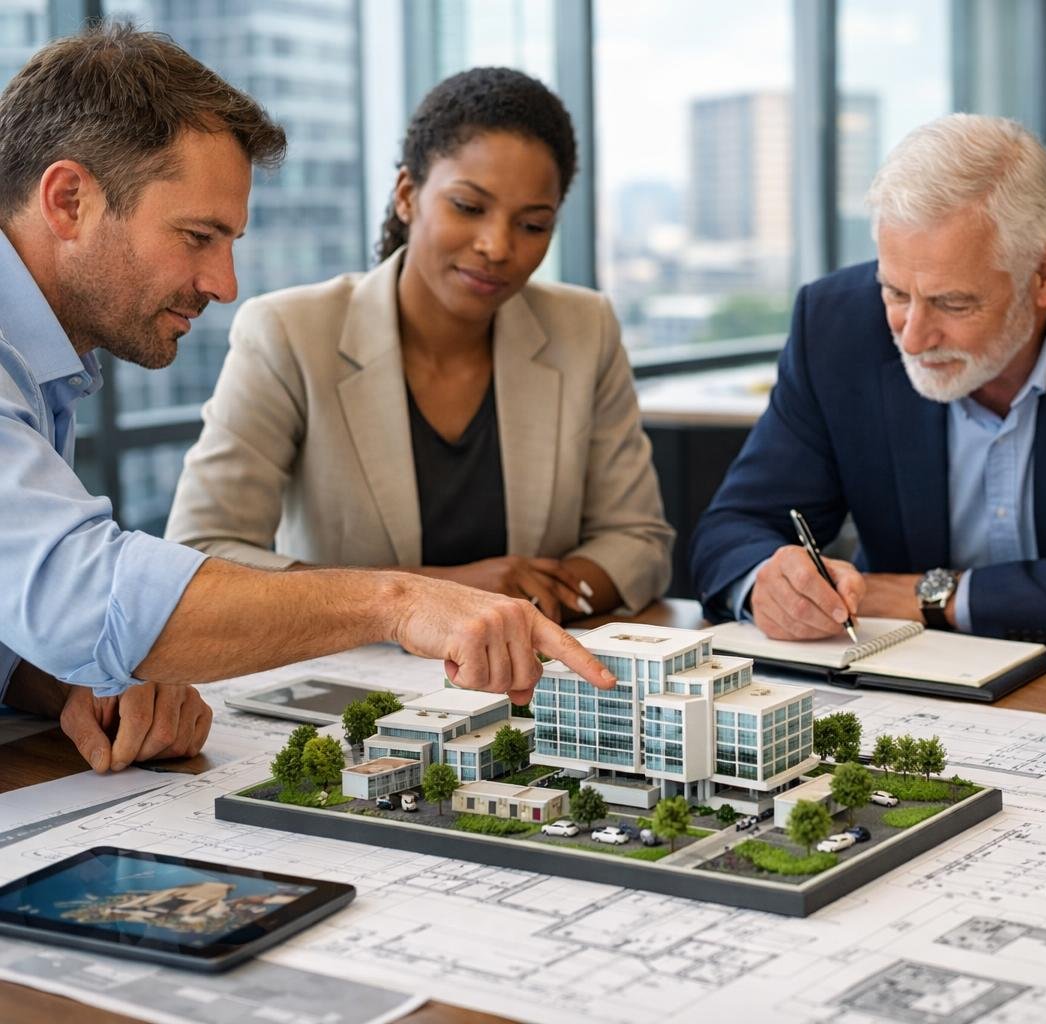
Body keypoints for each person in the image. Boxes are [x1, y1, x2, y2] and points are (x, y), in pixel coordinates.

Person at [0, 26, 615, 775]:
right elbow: (82, 586)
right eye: (198, 236)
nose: (224, 284)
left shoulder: (41, 365)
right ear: (68, 200)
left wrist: (71, 680)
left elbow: (26, 603)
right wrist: (396, 601)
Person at [690, 114, 1046, 643]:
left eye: (952, 303)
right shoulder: (836, 325)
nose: (912, 337)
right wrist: (768, 581)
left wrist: (938, 597)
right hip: (899, 671)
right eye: (895, 292)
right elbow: (733, 530)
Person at [165, 68, 672, 622]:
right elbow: (203, 553)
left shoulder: (584, 328)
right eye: (469, 207)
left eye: (531, 225)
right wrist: (435, 597)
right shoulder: (289, 333)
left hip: (533, 681)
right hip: (353, 689)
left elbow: (638, 541)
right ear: (408, 195)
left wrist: (519, 609)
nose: (497, 246)